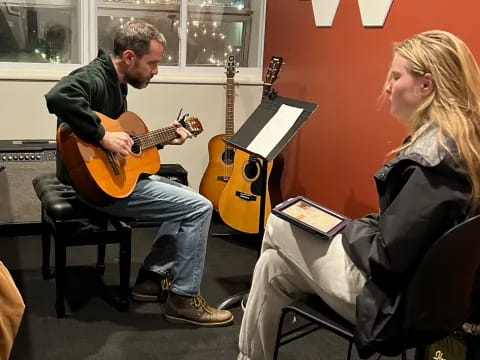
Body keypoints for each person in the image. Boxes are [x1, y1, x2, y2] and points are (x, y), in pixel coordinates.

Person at [237, 29, 480, 359]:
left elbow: (387, 257)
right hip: (425, 299)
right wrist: (362, 228)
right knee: (271, 266)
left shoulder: (431, 165)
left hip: (389, 305)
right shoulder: (463, 146)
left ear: (426, 85)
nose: (387, 86)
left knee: (279, 223)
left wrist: (353, 228)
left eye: (396, 76)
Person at [45, 19, 233, 327]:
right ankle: (184, 300)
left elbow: (125, 145)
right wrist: (101, 136)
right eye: (153, 63)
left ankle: (151, 278)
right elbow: (58, 98)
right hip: (95, 187)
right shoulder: (93, 76)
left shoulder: (116, 83)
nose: (156, 71)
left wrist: (163, 140)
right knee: (199, 207)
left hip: (108, 177)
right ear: (129, 57)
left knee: (187, 196)